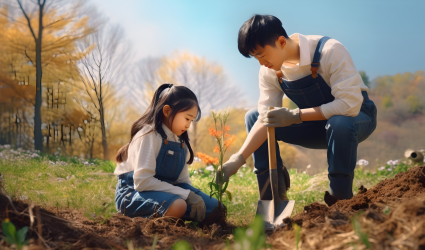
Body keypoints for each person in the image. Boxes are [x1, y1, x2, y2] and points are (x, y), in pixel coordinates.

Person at [220, 15, 377, 205]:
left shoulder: (329, 51)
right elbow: (264, 118)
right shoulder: (270, 71)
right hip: (314, 126)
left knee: (339, 122)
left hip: (354, 119)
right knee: (254, 117)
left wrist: (296, 115)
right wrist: (238, 159)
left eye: (262, 55)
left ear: (281, 42)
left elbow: (348, 105)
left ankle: (341, 201)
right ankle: (272, 199)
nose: (261, 63)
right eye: (255, 58)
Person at [114, 83, 218, 221]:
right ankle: (148, 217)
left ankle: (175, 213)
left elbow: (182, 181)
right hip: (133, 193)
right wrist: (186, 196)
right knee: (179, 205)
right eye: (187, 118)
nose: (188, 125)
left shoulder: (181, 141)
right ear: (167, 111)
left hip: (165, 192)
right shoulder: (149, 135)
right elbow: (142, 182)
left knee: (216, 209)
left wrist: (193, 196)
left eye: (191, 120)